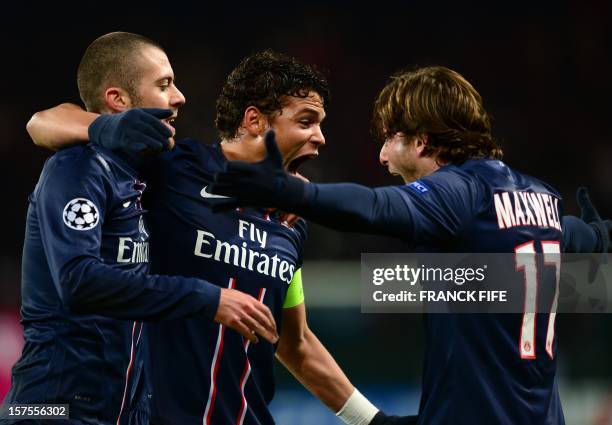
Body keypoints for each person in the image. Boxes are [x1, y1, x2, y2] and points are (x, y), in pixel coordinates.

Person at [26, 39, 414, 424]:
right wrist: (109, 127)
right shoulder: (172, 170)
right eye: (306, 121)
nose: (320, 137)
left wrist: (372, 421)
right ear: (254, 120)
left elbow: (293, 342)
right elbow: (45, 122)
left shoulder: (291, 225)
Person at [208, 66, 611, 424]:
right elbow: (575, 234)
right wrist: (597, 236)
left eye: (389, 139)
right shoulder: (542, 198)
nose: (382, 157)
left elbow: (377, 206)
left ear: (421, 141)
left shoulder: (459, 194)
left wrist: (296, 195)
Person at [4, 32, 279, 425]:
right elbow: (78, 281)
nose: (180, 96)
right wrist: (208, 298)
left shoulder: (147, 173)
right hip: (52, 407)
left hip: (120, 410)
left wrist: (289, 194)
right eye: (164, 84)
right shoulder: (79, 168)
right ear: (119, 100)